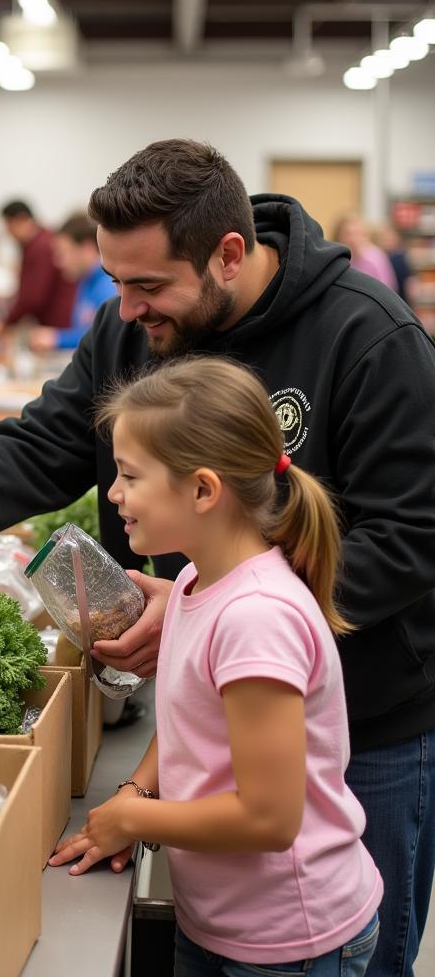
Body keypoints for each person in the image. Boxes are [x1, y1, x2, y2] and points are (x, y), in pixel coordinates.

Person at [0, 139, 435, 976]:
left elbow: (412, 537)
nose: (125, 310)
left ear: (228, 255)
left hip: (370, 727)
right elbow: (44, 444)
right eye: (115, 282)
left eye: (148, 286)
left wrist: (217, 601)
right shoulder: (131, 325)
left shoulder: (366, 335)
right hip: (217, 701)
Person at [49, 357, 383, 974]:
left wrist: (136, 817)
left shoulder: (256, 618)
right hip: (222, 922)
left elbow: (270, 817)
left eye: (128, 476)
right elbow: (187, 730)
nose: (113, 493)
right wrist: (137, 788)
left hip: (292, 940)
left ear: (203, 490)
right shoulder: (194, 583)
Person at [0, 199, 76, 340]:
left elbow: (32, 297)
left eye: (9, 227)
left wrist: (5, 323)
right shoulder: (41, 241)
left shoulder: (40, 247)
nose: (9, 234)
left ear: (21, 220)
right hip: (56, 326)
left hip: (58, 328)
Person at [29, 212, 117, 353]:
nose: (58, 262)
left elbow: (104, 337)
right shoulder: (85, 283)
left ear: (87, 249)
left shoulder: (109, 286)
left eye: (63, 253)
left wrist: (57, 339)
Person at [333, 213, 398, 290]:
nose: (353, 239)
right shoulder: (337, 260)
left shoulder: (376, 258)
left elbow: (388, 289)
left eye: (357, 233)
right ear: (338, 236)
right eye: (348, 234)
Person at [375, 221, 417, 305]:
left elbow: (409, 280)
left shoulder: (400, 257)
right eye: (384, 239)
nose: (387, 242)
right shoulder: (378, 258)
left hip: (401, 299)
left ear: (396, 239)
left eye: (390, 238)